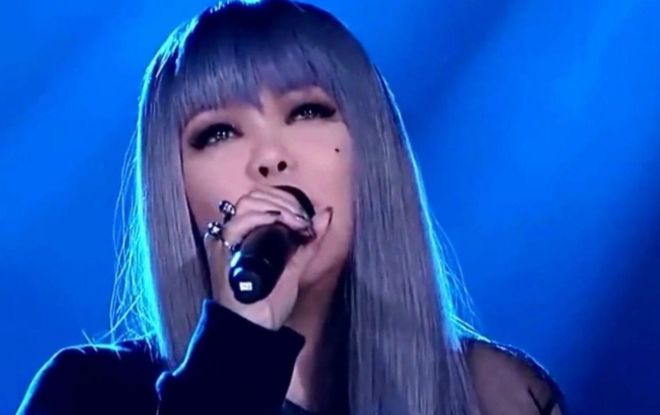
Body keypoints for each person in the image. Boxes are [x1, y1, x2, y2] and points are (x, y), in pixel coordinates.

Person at [16, 1, 567, 414]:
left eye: (307, 112)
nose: (270, 159)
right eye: (219, 132)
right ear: (175, 188)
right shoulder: (87, 394)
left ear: (371, 151)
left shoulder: (491, 395)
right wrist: (236, 349)